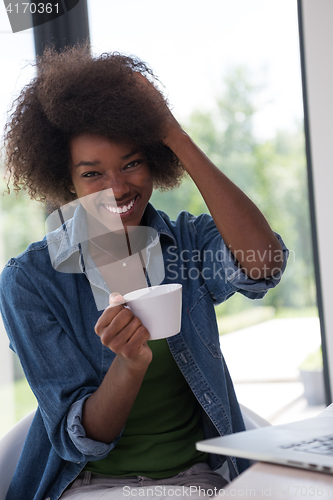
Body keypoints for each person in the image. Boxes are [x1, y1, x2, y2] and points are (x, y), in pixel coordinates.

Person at [0, 44, 288, 500]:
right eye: (92, 174)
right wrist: (129, 365)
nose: (117, 188)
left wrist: (174, 133)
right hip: (90, 487)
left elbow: (263, 265)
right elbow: (82, 439)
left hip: (199, 482)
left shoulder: (186, 245)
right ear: (64, 178)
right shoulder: (30, 282)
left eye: (132, 163)